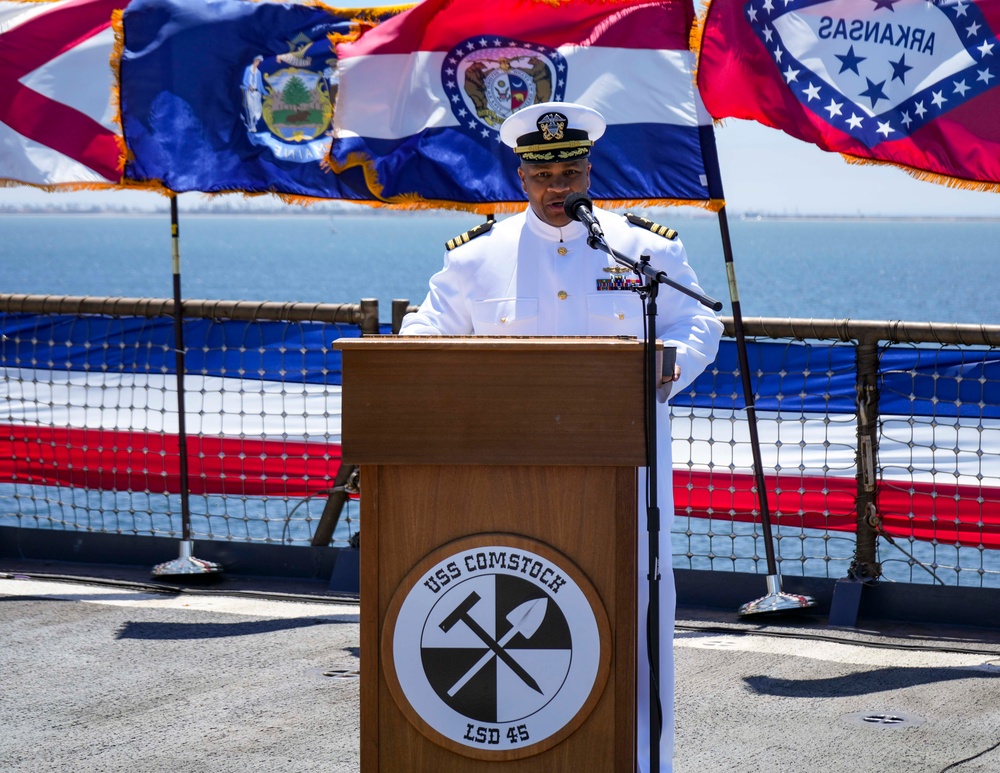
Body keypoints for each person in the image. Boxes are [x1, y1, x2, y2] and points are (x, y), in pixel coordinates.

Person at [399, 101, 723, 772]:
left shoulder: (644, 249)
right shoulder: (476, 258)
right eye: (544, 176)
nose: (558, 188)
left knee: (632, 616)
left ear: (589, 171)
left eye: (570, 173)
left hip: (628, 479)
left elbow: (699, 325)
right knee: (523, 611)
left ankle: (640, 758)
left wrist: (666, 370)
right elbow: (424, 335)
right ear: (522, 177)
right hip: (504, 482)